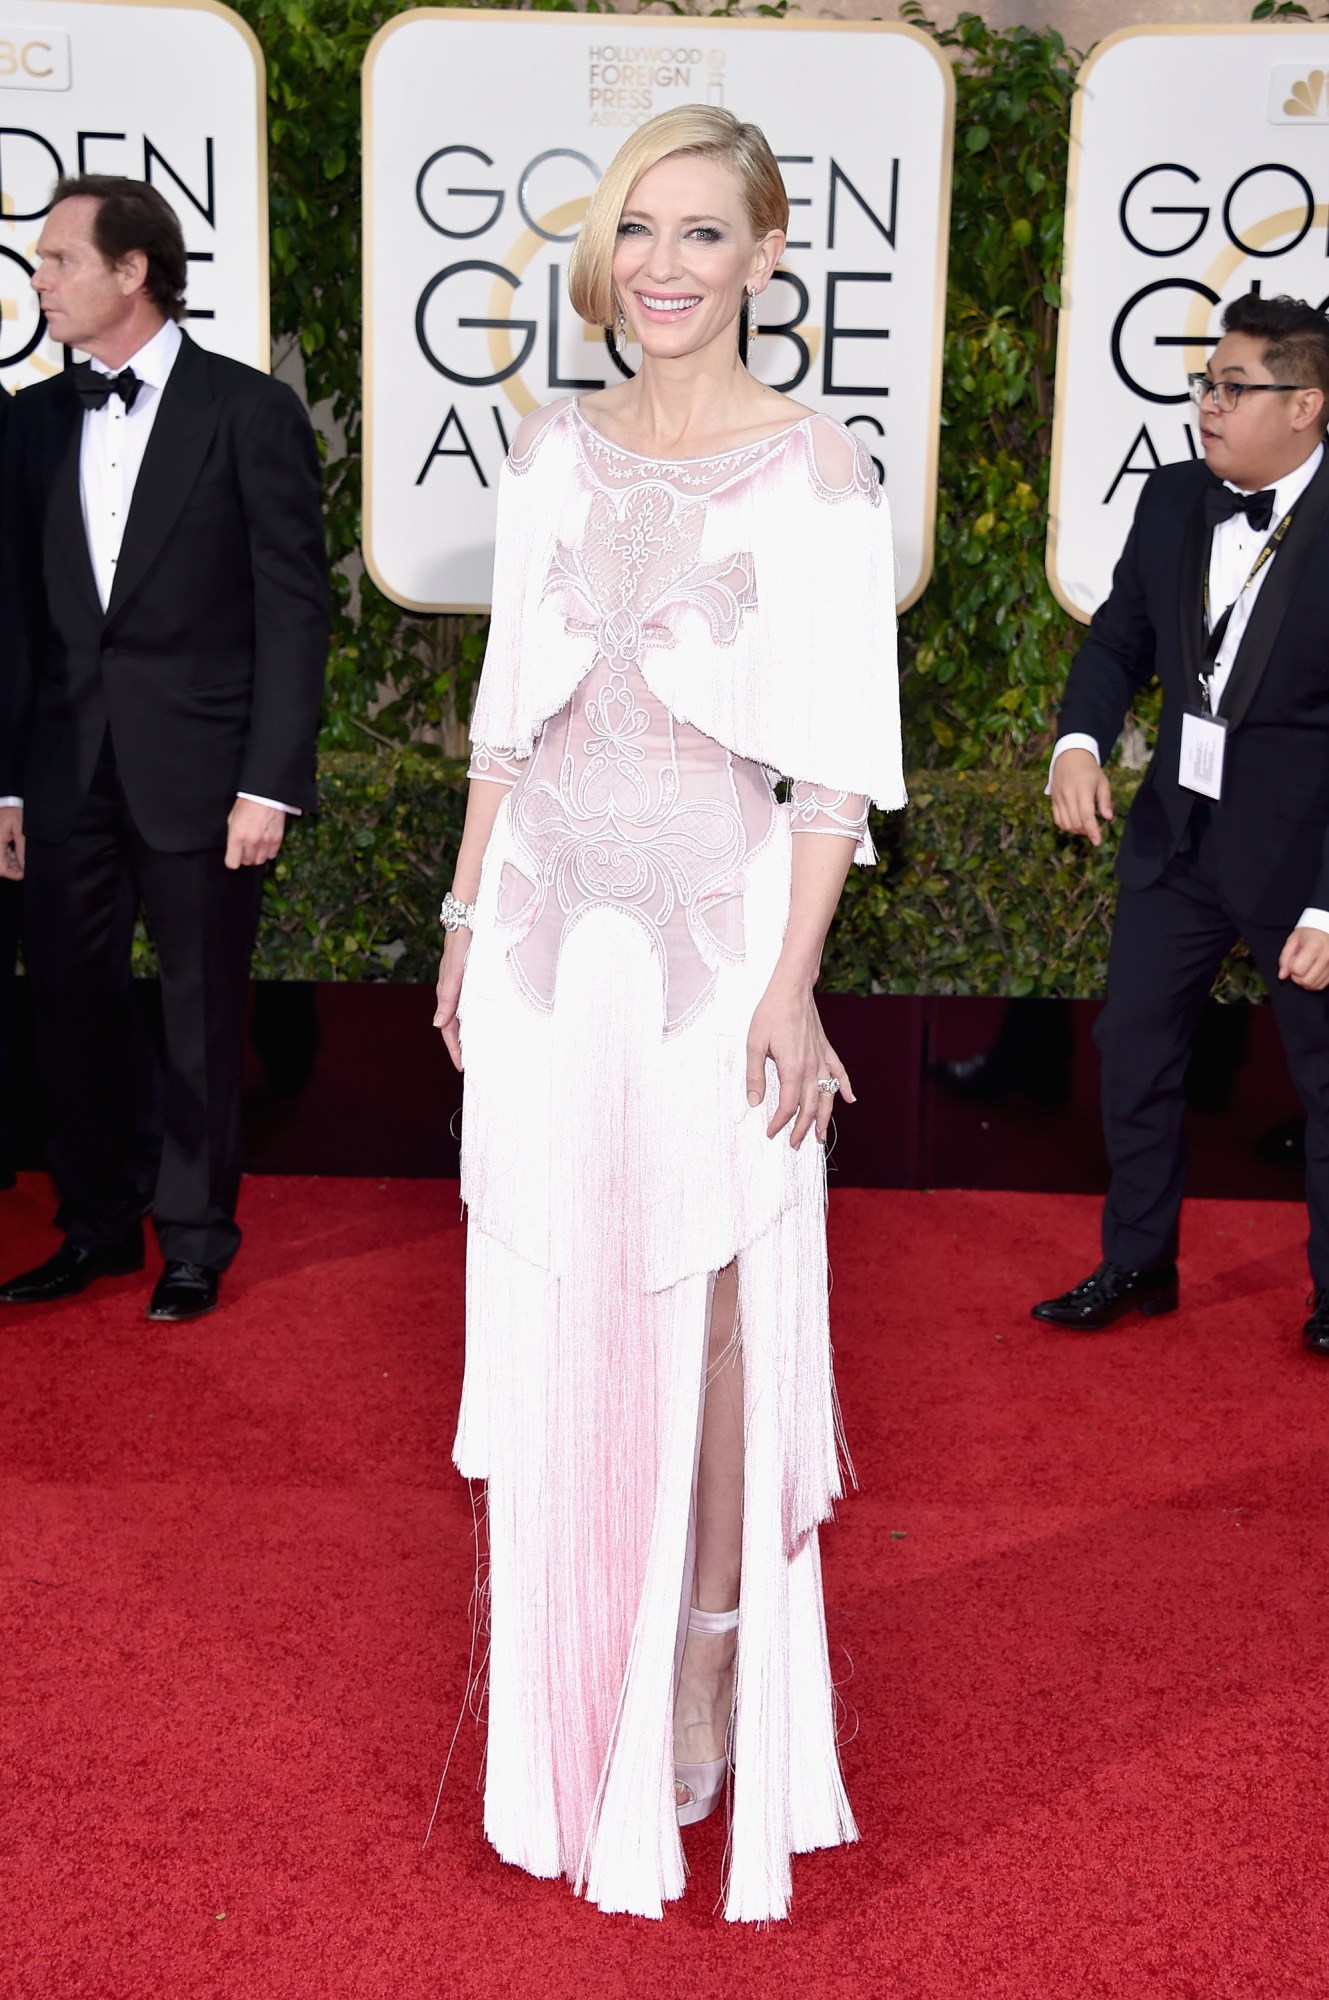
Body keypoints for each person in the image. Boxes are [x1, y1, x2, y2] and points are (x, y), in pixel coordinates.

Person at [431, 107, 903, 1922]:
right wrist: (467, 918)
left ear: (768, 256)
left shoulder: (815, 475)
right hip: (549, 944)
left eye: (701, 234)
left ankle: (701, 1662)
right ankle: (565, 1706)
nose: (662, 266)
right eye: (638, 231)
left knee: (709, 1314)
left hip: (711, 953)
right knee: (552, 1295)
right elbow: (503, 717)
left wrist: (790, 989)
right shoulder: (549, 448)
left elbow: (830, 779)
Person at [0, 176, 327, 1320]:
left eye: (57, 259)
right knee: (69, 1006)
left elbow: (294, 608)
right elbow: (13, 615)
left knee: (198, 1012)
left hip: (202, 773)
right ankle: (94, 1222)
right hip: (59, 773)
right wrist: (7, 780)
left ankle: (193, 1235)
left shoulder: (247, 412)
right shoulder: (28, 422)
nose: (36, 278)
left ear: (132, 271)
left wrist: (269, 781)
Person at [1034, 293, 1329, 1352]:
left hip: (1303, 859)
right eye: (1205, 384)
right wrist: (1078, 742)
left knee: (1324, 1078)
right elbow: (1118, 639)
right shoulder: (1171, 501)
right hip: (1177, 837)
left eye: (1234, 387)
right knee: (1134, 1048)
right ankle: (1137, 1261)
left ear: (1306, 404)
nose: (1208, 405)